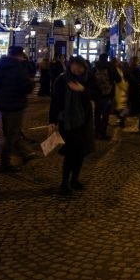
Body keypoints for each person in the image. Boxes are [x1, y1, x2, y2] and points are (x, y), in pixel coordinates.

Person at [49, 56, 97, 195]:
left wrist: (83, 89)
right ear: (70, 66)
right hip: (67, 122)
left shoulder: (89, 79)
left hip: (84, 121)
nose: (77, 69)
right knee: (71, 153)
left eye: (80, 67)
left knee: (80, 152)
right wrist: (52, 121)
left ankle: (75, 179)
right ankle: (64, 183)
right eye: (75, 66)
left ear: (84, 67)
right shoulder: (62, 80)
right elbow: (55, 102)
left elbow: (97, 94)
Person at [0, 46, 36, 173]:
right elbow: (26, 87)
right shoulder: (19, 67)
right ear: (20, 55)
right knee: (12, 134)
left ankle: (24, 154)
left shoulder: (0, 66)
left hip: (4, 105)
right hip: (16, 105)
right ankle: (5, 163)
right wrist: (32, 83)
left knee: (13, 132)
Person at [92, 54, 114, 140]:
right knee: (105, 115)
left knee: (97, 114)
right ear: (107, 58)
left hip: (97, 94)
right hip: (107, 94)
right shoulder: (110, 67)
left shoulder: (95, 67)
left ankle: (97, 132)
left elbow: (91, 79)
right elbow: (117, 78)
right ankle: (103, 133)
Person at [126, 58, 140, 131]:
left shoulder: (129, 70)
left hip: (131, 90)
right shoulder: (137, 70)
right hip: (137, 90)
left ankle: (122, 118)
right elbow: (139, 80)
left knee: (131, 106)